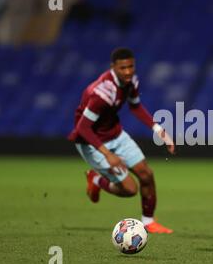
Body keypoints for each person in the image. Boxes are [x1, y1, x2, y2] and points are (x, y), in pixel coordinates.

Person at [68, 47, 175, 234]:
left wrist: (158, 129)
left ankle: (148, 222)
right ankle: (96, 180)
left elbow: (135, 106)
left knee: (146, 174)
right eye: (122, 68)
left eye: (131, 67)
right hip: (92, 143)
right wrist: (108, 155)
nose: (127, 72)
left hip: (115, 134)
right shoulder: (102, 93)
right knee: (129, 189)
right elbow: (83, 128)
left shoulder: (132, 81)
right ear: (113, 68)